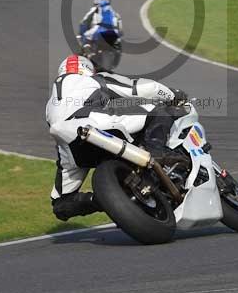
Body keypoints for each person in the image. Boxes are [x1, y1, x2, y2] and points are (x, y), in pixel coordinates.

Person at [46, 55, 187, 221]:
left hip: (69, 146)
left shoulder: (50, 104)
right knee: (159, 110)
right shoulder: (94, 80)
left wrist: (107, 198)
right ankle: (157, 151)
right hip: (95, 125)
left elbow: (58, 127)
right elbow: (143, 88)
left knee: (61, 204)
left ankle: (98, 201)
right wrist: (172, 96)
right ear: (87, 69)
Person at [78, 0, 122, 64]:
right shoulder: (115, 13)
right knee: (118, 46)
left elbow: (84, 21)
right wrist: (119, 35)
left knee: (85, 36)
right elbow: (120, 26)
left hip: (100, 30)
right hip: (114, 32)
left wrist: (81, 34)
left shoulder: (95, 9)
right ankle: (115, 58)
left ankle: (88, 53)